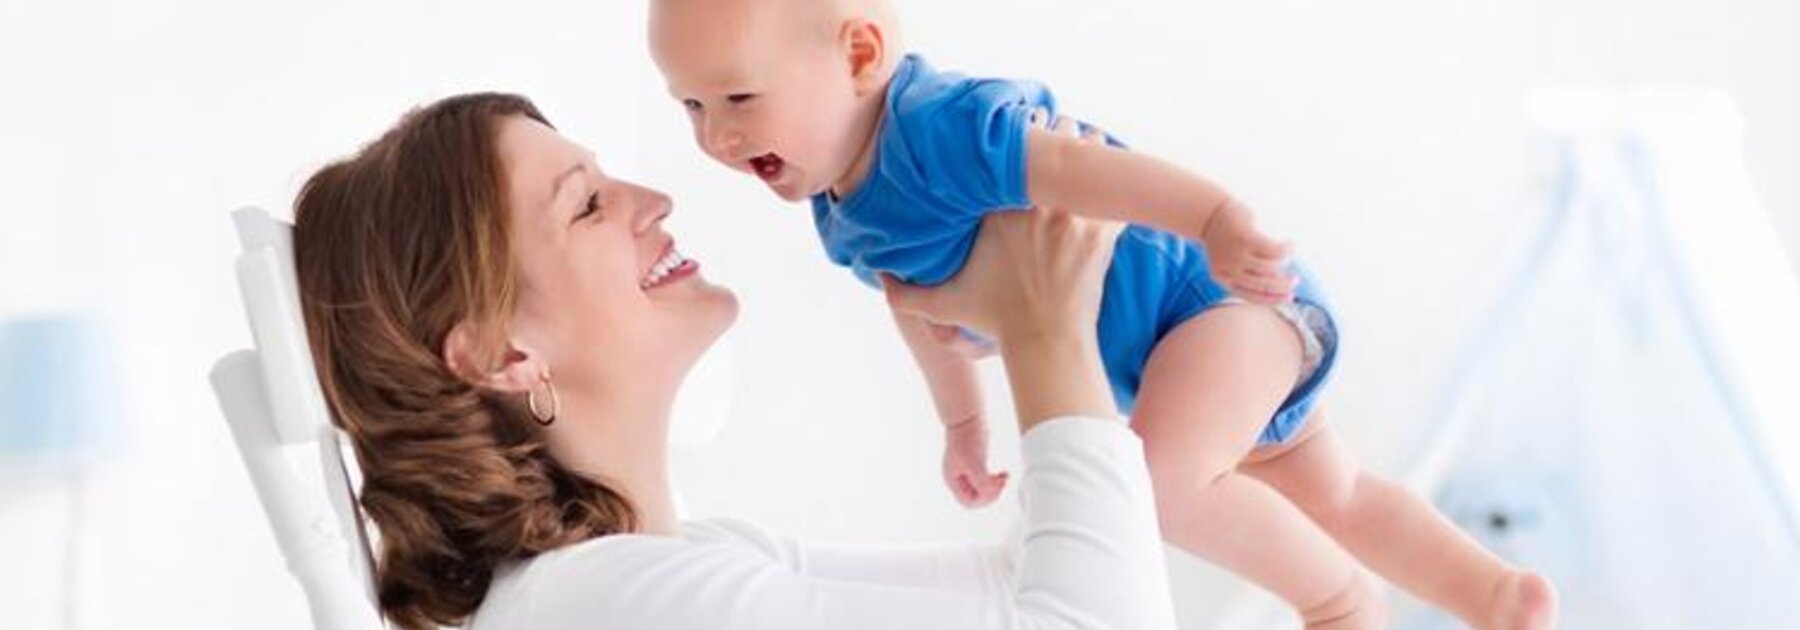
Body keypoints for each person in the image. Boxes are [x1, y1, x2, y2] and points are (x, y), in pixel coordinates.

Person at [647, 1, 1558, 628]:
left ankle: (1339, 602)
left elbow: (1083, 170)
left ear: (858, 55)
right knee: (1336, 491)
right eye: (690, 106)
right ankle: (1494, 596)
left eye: (739, 98)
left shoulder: (938, 128)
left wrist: (1213, 219)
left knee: (1153, 486)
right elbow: (916, 310)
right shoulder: (838, 211)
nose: (716, 137)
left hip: (1215, 302)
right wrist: (963, 423)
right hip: (1173, 360)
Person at [291, 91, 1177, 630]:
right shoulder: (608, 603)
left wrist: (1119, 345)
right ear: (501, 353)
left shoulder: (659, 567)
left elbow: (1018, 588)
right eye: (588, 205)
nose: (654, 200)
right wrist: (1045, 333)